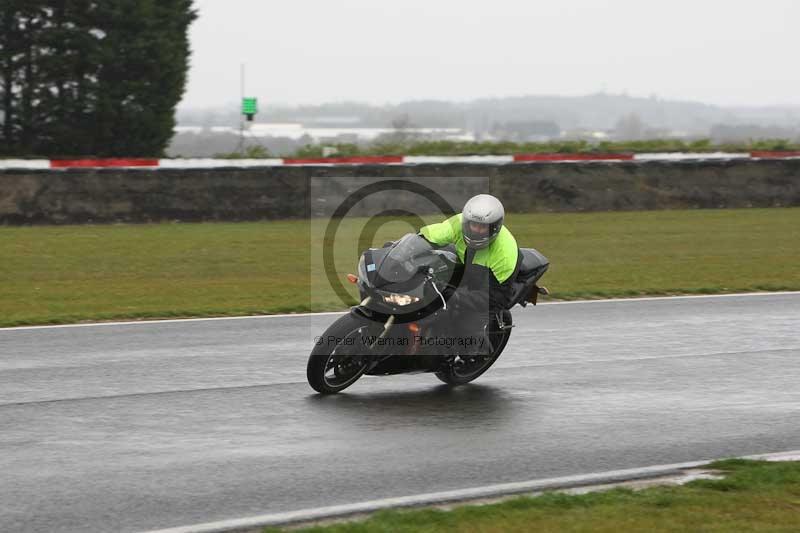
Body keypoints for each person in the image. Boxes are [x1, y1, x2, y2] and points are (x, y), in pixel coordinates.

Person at [418, 194, 519, 355]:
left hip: (487, 282)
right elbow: (425, 236)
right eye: (473, 225)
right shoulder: (457, 224)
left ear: (494, 228)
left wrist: (458, 297)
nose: (477, 230)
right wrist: (397, 250)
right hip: (466, 261)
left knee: (465, 327)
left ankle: (477, 349)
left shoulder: (505, 255)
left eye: (483, 227)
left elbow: (495, 298)